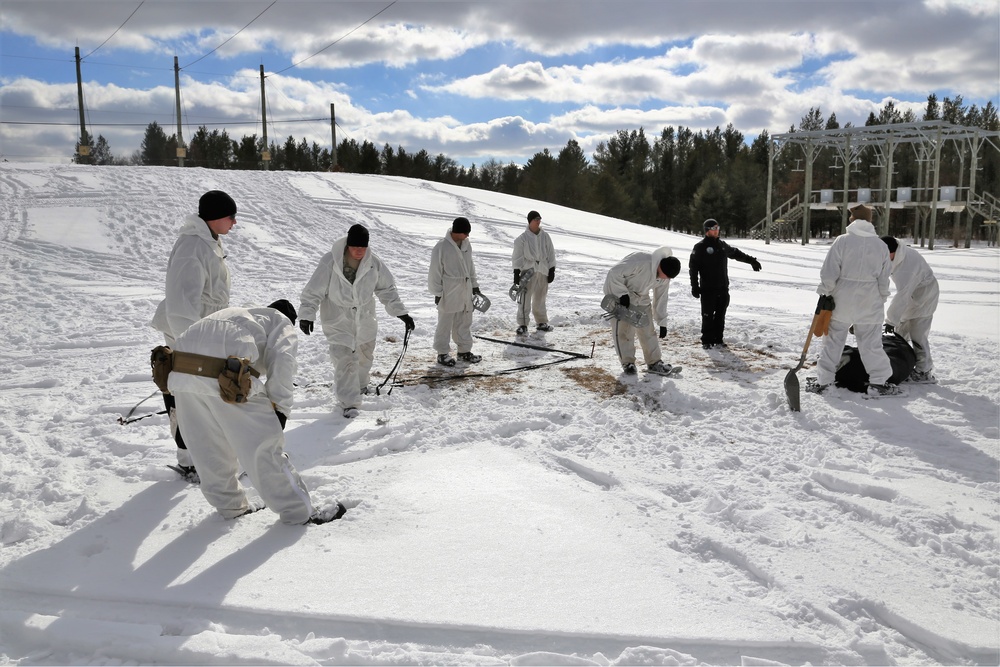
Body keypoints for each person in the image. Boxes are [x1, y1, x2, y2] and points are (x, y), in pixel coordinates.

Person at [168, 300, 345, 525]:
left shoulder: (238, 315)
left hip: (181, 370)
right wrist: (279, 410)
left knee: (208, 447)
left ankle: (230, 507)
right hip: (226, 373)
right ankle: (299, 512)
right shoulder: (280, 322)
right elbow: (283, 362)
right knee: (264, 449)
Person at [150, 190, 237, 480]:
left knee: (196, 396)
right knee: (187, 397)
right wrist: (192, 345)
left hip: (202, 332)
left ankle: (201, 457)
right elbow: (180, 303)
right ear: (215, 217)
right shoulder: (192, 247)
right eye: (230, 216)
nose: (234, 223)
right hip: (187, 335)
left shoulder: (208, 241)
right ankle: (191, 460)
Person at [298, 224, 414, 418]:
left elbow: (386, 289)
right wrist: (307, 314)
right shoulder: (331, 262)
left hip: (365, 318)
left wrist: (401, 313)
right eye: (355, 246)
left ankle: (360, 387)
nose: (359, 250)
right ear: (348, 245)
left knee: (364, 357)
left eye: (363, 246)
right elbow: (313, 291)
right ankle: (349, 403)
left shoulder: (373, 263)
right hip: (338, 319)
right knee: (344, 360)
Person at [808, 204, 897, 396]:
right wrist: (881, 297)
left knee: (832, 341)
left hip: (842, 300)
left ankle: (824, 381)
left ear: (852, 220)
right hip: (870, 301)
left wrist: (825, 291)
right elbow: (884, 278)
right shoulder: (881, 246)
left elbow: (830, 271)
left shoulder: (842, 241)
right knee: (871, 344)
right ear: (870, 221)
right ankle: (878, 383)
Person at [603, 246, 681, 375]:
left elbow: (661, 298)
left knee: (648, 330)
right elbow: (613, 273)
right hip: (622, 296)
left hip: (642, 298)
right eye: (665, 276)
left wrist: (662, 322)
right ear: (660, 267)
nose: (666, 279)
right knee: (624, 331)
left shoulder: (664, 276)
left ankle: (654, 362)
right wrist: (622, 294)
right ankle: (628, 363)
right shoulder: (641, 262)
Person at [689, 218, 762, 349]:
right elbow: (693, 268)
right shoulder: (700, 247)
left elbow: (736, 254)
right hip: (708, 289)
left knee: (720, 315)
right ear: (707, 231)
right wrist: (695, 286)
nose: (717, 230)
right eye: (714, 228)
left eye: (718, 228)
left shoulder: (722, 245)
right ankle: (707, 340)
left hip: (722, 288)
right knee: (707, 315)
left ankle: (718, 339)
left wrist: (751, 260)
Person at [881, 235, 939, 383]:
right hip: (912, 296)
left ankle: (924, 371)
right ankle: (903, 365)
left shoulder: (906, 267)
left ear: (892, 251)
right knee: (900, 334)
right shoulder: (896, 255)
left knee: (918, 334)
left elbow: (902, 295)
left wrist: (890, 320)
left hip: (924, 296)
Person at [429, 216, 482, 366]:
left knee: (464, 321)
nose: (468, 236)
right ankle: (442, 353)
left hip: (464, 289)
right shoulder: (442, 247)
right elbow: (435, 271)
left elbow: (470, 266)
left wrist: (475, 285)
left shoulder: (466, 245)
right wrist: (437, 293)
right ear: (458, 232)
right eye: (466, 233)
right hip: (448, 291)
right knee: (445, 323)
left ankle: (464, 351)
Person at [512, 210, 557, 334]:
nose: (538, 222)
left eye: (539, 219)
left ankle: (541, 321)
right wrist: (516, 271)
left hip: (543, 270)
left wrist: (552, 268)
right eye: (535, 220)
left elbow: (551, 253)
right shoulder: (522, 239)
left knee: (540, 297)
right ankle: (523, 323)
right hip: (528, 271)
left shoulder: (545, 236)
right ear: (530, 221)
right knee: (525, 298)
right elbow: (517, 256)